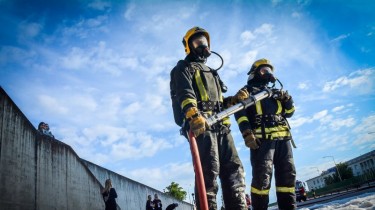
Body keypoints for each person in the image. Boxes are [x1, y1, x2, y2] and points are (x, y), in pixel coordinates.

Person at [170, 26, 248, 210]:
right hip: (202, 126)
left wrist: (234, 100)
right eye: (197, 42)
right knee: (209, 175)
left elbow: (219, 102)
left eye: (205, 42)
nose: (202, 46)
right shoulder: (183, 68)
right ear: (188, 46)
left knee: (234, 172)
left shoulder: (212, 72)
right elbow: (185, 93)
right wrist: (193, 114)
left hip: (223, 128)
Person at [234, 58, 296, 210]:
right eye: (264, 71)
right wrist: (247, 133)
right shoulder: (246, 92)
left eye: (270, 71)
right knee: (262, 179)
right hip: (262, 142)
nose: (268, 74)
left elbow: (289, 113)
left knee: (288, 177)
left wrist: (287, 100)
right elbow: (239, 113)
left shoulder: (276, 92)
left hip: (283, 140)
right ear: (254, 73)